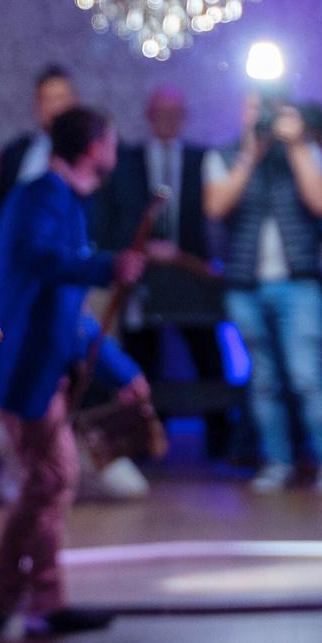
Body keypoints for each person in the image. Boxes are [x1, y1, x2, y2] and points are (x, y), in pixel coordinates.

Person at [0, 105, 156, 636]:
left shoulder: (64, 201)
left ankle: (10, 596)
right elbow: (43, 261)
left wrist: (120, 370)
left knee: (49, 479)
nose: (115, 151)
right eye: (111, 141)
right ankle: (32, 598)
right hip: (22, 364)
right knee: (53, 476)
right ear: (93, 148)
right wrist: (109, 266)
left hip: (39, 366)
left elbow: (71, 311)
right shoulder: (41, 196)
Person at [205, 94, 322, 495]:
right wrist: (250, 156)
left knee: (307, 377)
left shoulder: (304, 151)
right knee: (263, 381)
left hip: (298, 283)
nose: (262, 116)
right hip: (245, 286)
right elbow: (216, 207)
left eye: (269, 108)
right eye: (255, 108)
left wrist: (298, 145)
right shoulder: (223, 155)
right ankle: (277, 462)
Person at [97, 85, 231, 457]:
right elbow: (112, 216)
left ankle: (220, 438)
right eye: (161, 113)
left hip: (193, 275)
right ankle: (146, 439)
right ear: (149, 116)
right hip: (142, 276)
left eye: (175, 113)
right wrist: (138, 250)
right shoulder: (126, 160)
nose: (168, 120)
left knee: (207, 353)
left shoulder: (203, 159)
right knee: (141, 357)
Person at [0, 64, 79, 214]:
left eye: (60, 98)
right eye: (47, 99)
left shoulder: (93, 151)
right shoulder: (14, 153)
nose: (55, 107)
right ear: (36, 106)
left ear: (75, 102)